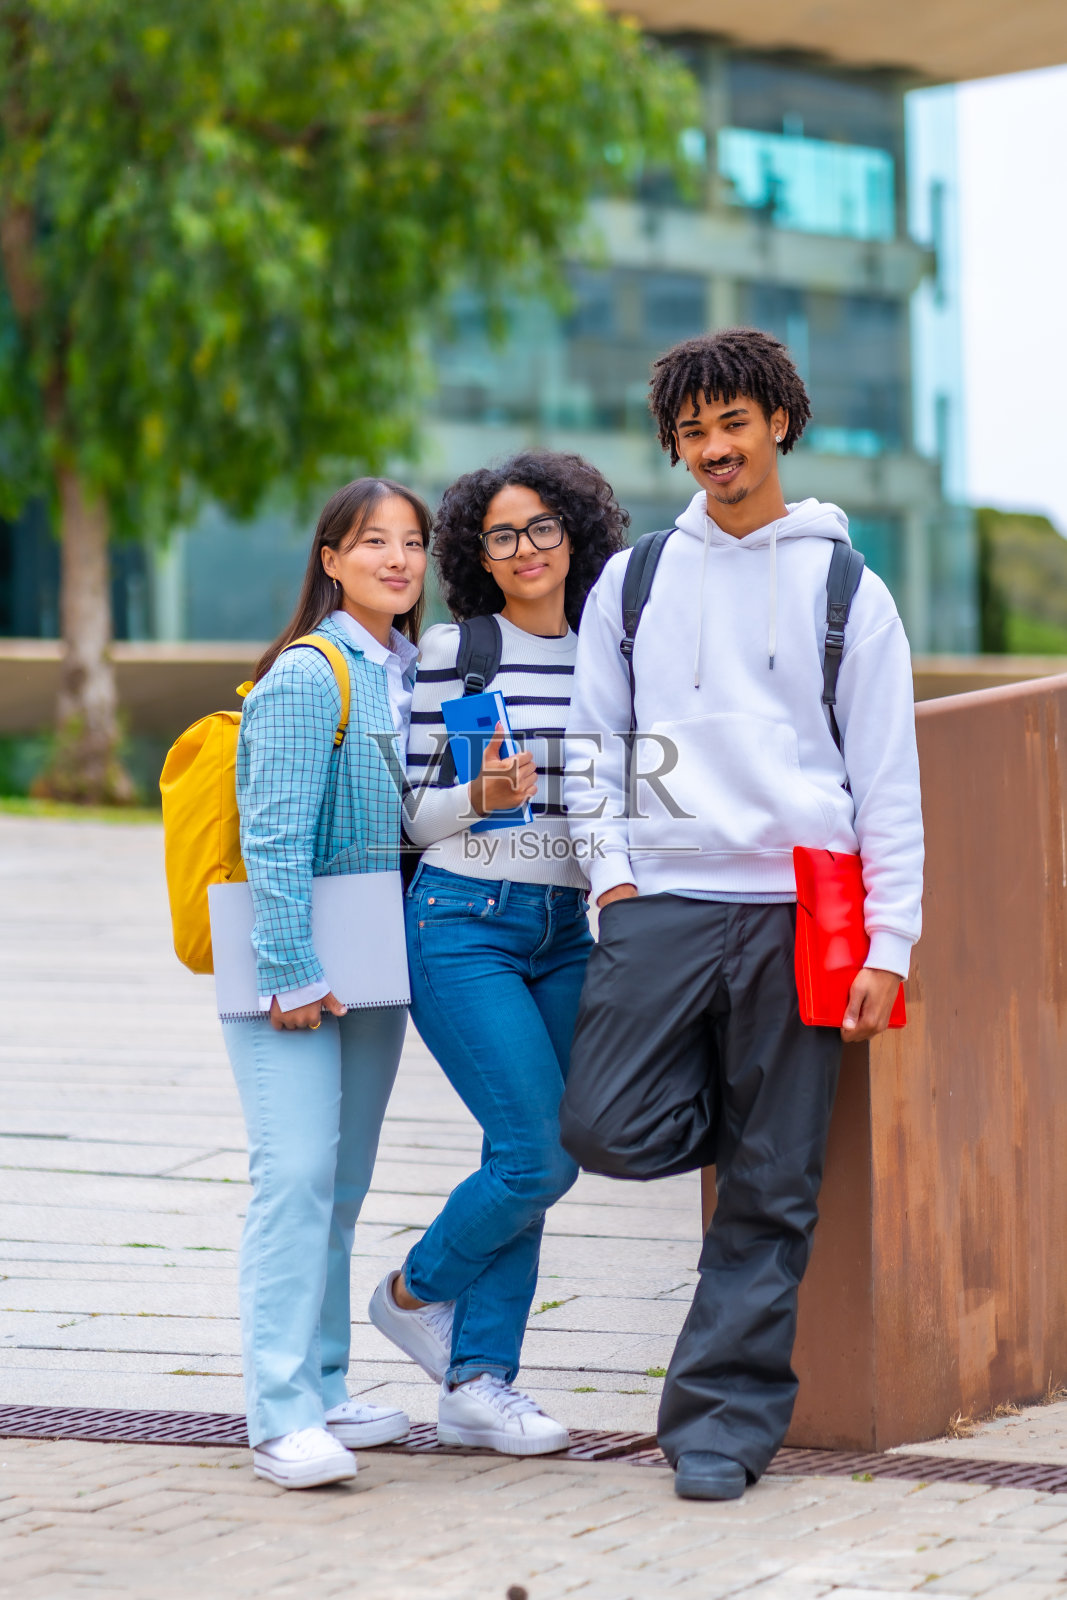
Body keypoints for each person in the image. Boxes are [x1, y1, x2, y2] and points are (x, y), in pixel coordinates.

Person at [559, 329, 923, 1501]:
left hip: (793, 911)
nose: (713, 448)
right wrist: (609, 876)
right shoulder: (636, 577)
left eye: (732, 423)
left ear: (778, 423)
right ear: (672, 443)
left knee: (773, 1190)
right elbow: (589, 740)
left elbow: (885, 779)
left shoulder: (843, 588)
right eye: (691, 430)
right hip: (661, 899)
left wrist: (890, 943)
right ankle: (748, 1115)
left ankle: (720, 1422)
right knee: (600, 1123)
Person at [367, 450, 628, 1454]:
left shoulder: (609, 648)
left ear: (576, 533)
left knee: (521, 1151)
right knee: (536, 1154)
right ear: (478, 552)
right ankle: (409, 1291)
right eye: (501, 534)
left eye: (541, 528)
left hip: (566, 930)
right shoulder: (454, 649)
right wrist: (477, 796)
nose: (524, 550)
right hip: (462, 919)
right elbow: (413, 817)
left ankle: (478, 1385)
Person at [224, 477, 429, 1489]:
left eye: (412, 542)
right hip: (298, 970)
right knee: (295, 1176)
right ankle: (277, 1413)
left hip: (369, 961)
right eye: (373, 541)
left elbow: (392, 827)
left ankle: (325, 1383)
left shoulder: (404, 672)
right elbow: (271, 835)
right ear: (331, 560)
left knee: (340, 1188)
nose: (397, 559)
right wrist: (289, 971)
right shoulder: (312, 674)